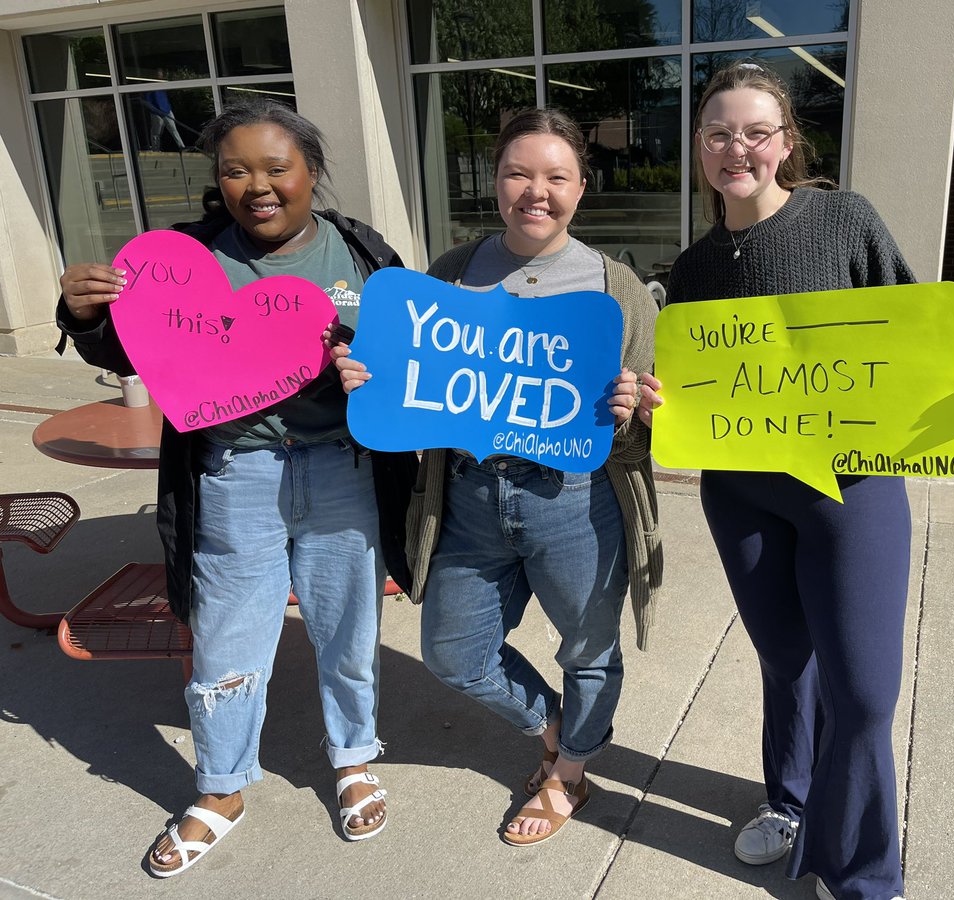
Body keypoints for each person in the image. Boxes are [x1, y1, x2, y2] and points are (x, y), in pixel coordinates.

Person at [635, 62, 954, 900]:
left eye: (756, 131)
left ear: (785, 143)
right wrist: (660, 408)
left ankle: (864, 874)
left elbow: (914, 331)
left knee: (863, 693)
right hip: (742, 495)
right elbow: (684, 395)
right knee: (786, 661)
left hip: (853, 490)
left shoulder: (843, 220)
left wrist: (953, 389)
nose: (738, 147)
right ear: (698, 147)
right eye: (719, 131)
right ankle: (790, 801)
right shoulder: (690, 273)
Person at [55, 98, 417, 877]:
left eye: (275, 167)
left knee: (347, 631)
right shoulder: (179, 258)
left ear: (310, 173)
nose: (257, 185)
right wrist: (81, 312)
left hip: (340, 469)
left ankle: (352, 759)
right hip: (233, 473)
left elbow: (410, 364)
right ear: (217, 181)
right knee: (225, 640)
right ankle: (220, 789)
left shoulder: (364, 255)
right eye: (234, 169)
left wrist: (372, 372)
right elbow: (126, 348)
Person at [334, 108, 661, 845]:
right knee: (453, 654)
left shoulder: (616, 289)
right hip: (471, 498)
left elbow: (644, 439)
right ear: (495, 182)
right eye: (518, 173)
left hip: (576, 502)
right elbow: (413, 383)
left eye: (555, 176)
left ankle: (570, 772)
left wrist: (633, 414)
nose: (534, 192)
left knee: (588, 648)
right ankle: (554, 727)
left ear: (581, 185)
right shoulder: (451, 272)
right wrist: (370, 378)